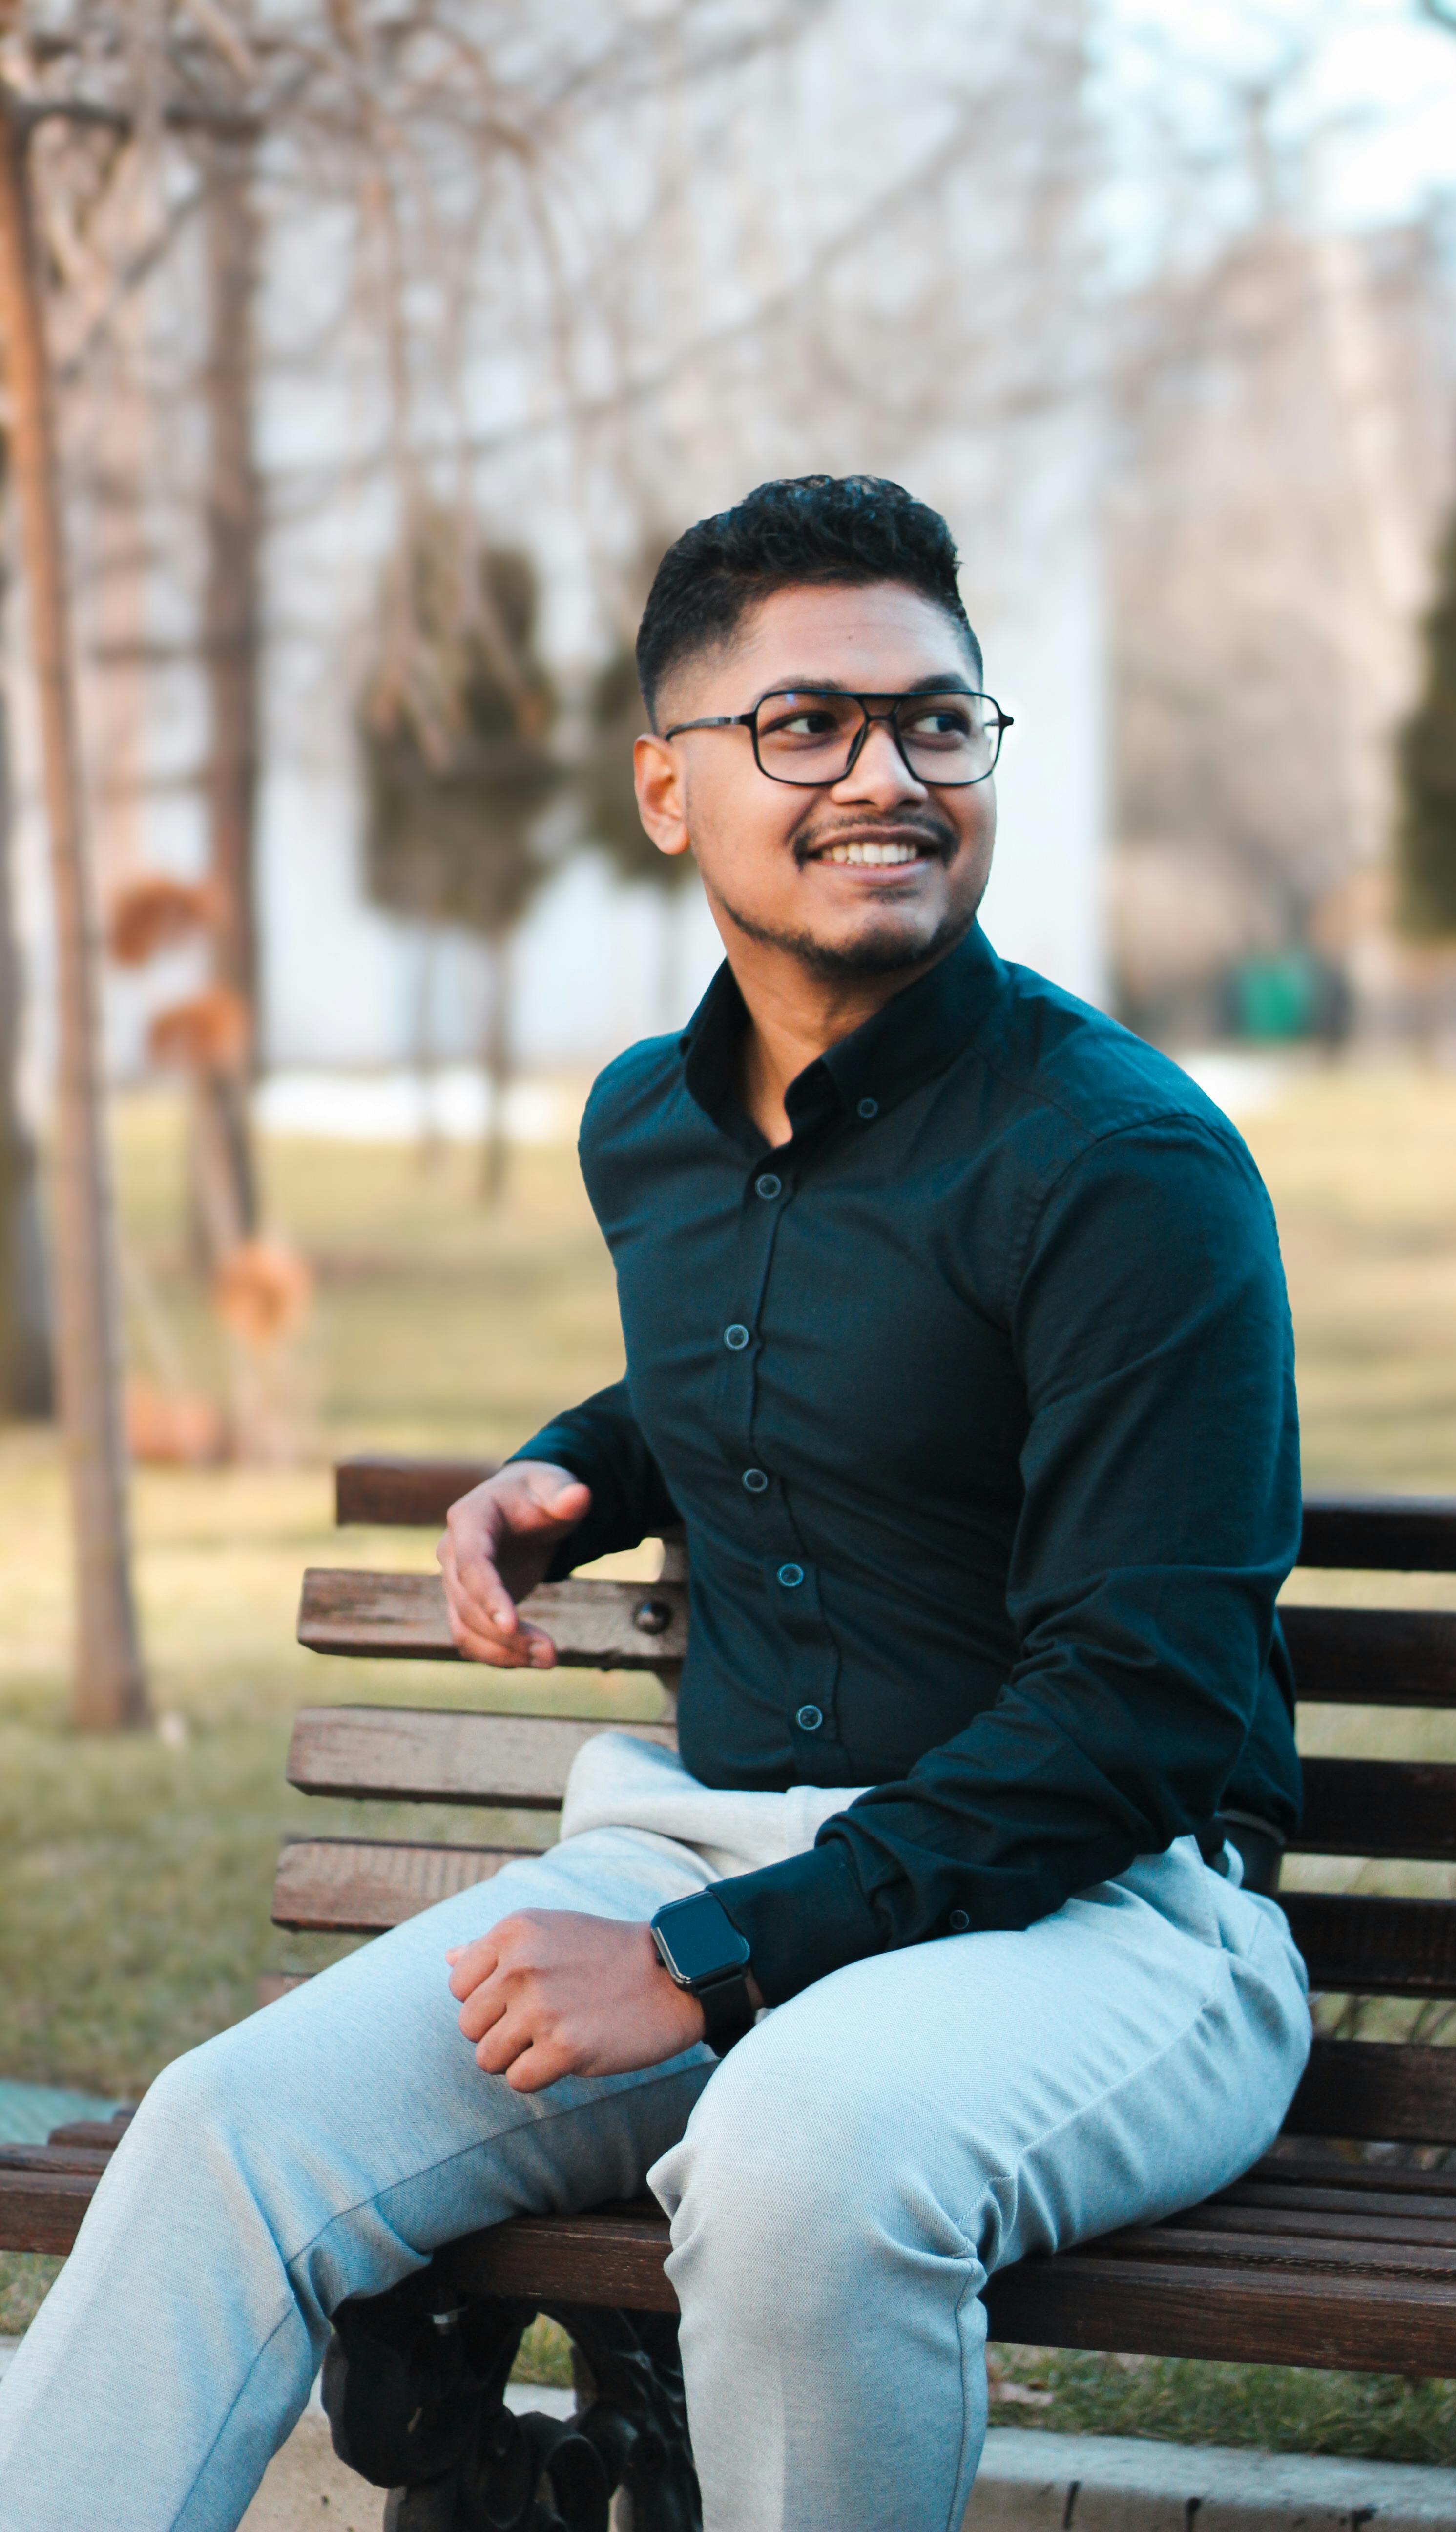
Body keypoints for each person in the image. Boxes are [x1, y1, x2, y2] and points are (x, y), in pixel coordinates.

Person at [0, 474, 1310, 2532]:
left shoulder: (1129, 1164)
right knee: (222, 2127)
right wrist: (584, 1471)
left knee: (800, 2158)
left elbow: (1141, 1709)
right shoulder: (654, 1125)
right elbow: (813, 1332)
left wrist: (712, 1959)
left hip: (1109, 1917)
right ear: (669, 790)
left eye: (937, 722)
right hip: (723, 1876)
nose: (886, 774)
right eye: (809, 725)